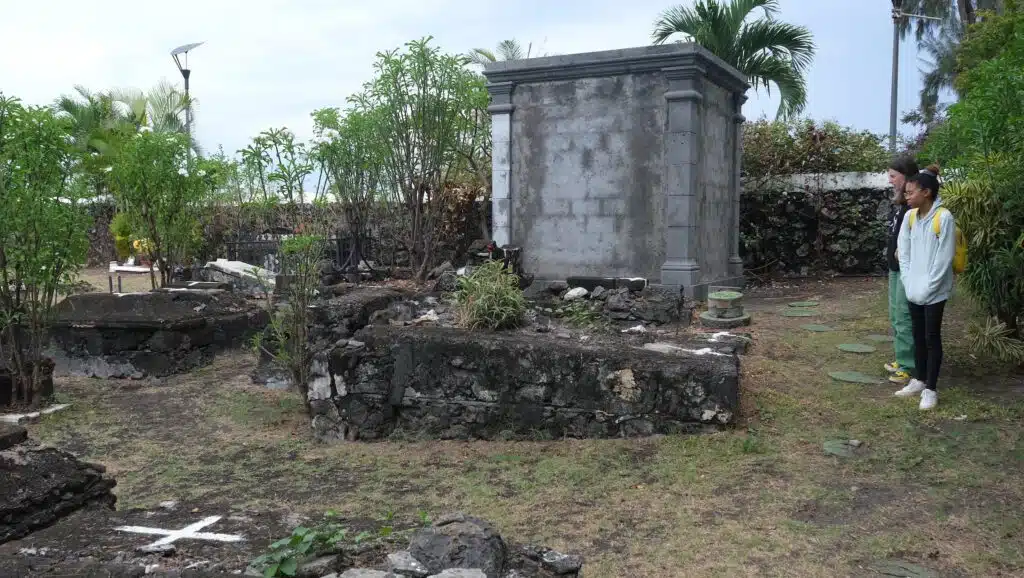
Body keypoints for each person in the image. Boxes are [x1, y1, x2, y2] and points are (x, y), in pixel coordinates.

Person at [894, 165, 955, 410]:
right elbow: (904, 253)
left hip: (934, 291)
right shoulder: (909, 217)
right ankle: (919, 379)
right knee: (917, 335)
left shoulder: (944, 218)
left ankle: (931, 389)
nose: (906, 197)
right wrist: (909, 283)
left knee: (931, 337)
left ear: (926, 192)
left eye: (910, 193)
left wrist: (928, 288)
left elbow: (944, 259)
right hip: (913, 288)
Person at [884, 157, 919, 385]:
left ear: (906, 176)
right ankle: (901, 358)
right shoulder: (900, 203)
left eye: (894, 176)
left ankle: (908, 365)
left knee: (904, 317)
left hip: (907, 269)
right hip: (895, 268)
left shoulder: (914, 205)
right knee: (896, 315)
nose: (891, 180)